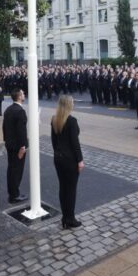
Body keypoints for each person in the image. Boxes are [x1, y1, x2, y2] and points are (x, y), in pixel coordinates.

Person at [51, 95, 85, 229]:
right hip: (70, 160)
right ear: (68, 105)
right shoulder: (71, 121)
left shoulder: (55, 119)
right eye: (72, 102)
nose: (74, 103)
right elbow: (75, 144)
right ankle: (70, 219)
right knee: (70, 190)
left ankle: (65, 217)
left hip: (58, 158)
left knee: (63, 188)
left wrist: (57, 153)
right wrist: (80, 160)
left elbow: (54, 141)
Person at [3, 88, 28, 203]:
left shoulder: (8, 109)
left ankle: (12, 192)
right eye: (22, 93)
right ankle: (14, 195)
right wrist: (22, 147)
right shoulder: (20, 111)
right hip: (17, 146)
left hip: (10, 144)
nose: (24, 95)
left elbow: (4, 127)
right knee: (16, 170)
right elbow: (21, 131)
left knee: (11, 169)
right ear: (19, 96)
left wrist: (6, 141)